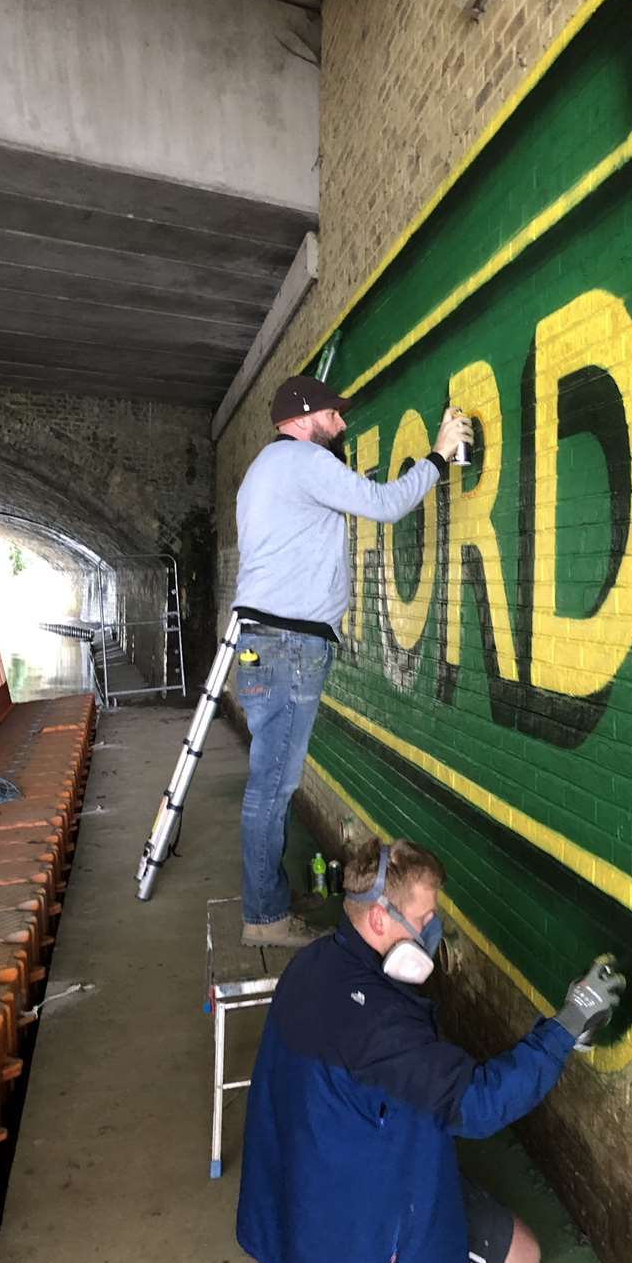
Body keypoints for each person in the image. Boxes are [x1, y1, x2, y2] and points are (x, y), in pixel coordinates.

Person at [237, 836, 625, 1263]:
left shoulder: (314, 963)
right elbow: (478, 1105)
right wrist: (566, 1027)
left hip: (303, 1193)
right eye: (422, 921)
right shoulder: (376, 1025)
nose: (431, 931)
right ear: (379, 917)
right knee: (520, 1262)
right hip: (352, 1231)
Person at [232, 375, 472, 948]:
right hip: (289, 646)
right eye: (335, 416)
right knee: (273, 789)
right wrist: (439, 454)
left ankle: (264, 903)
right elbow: (387, 505)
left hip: (261, 644)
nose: (342, 425)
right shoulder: (305, 461)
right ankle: (264, 917)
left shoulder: (263, 471)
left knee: (267, 785)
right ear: (306, 416)